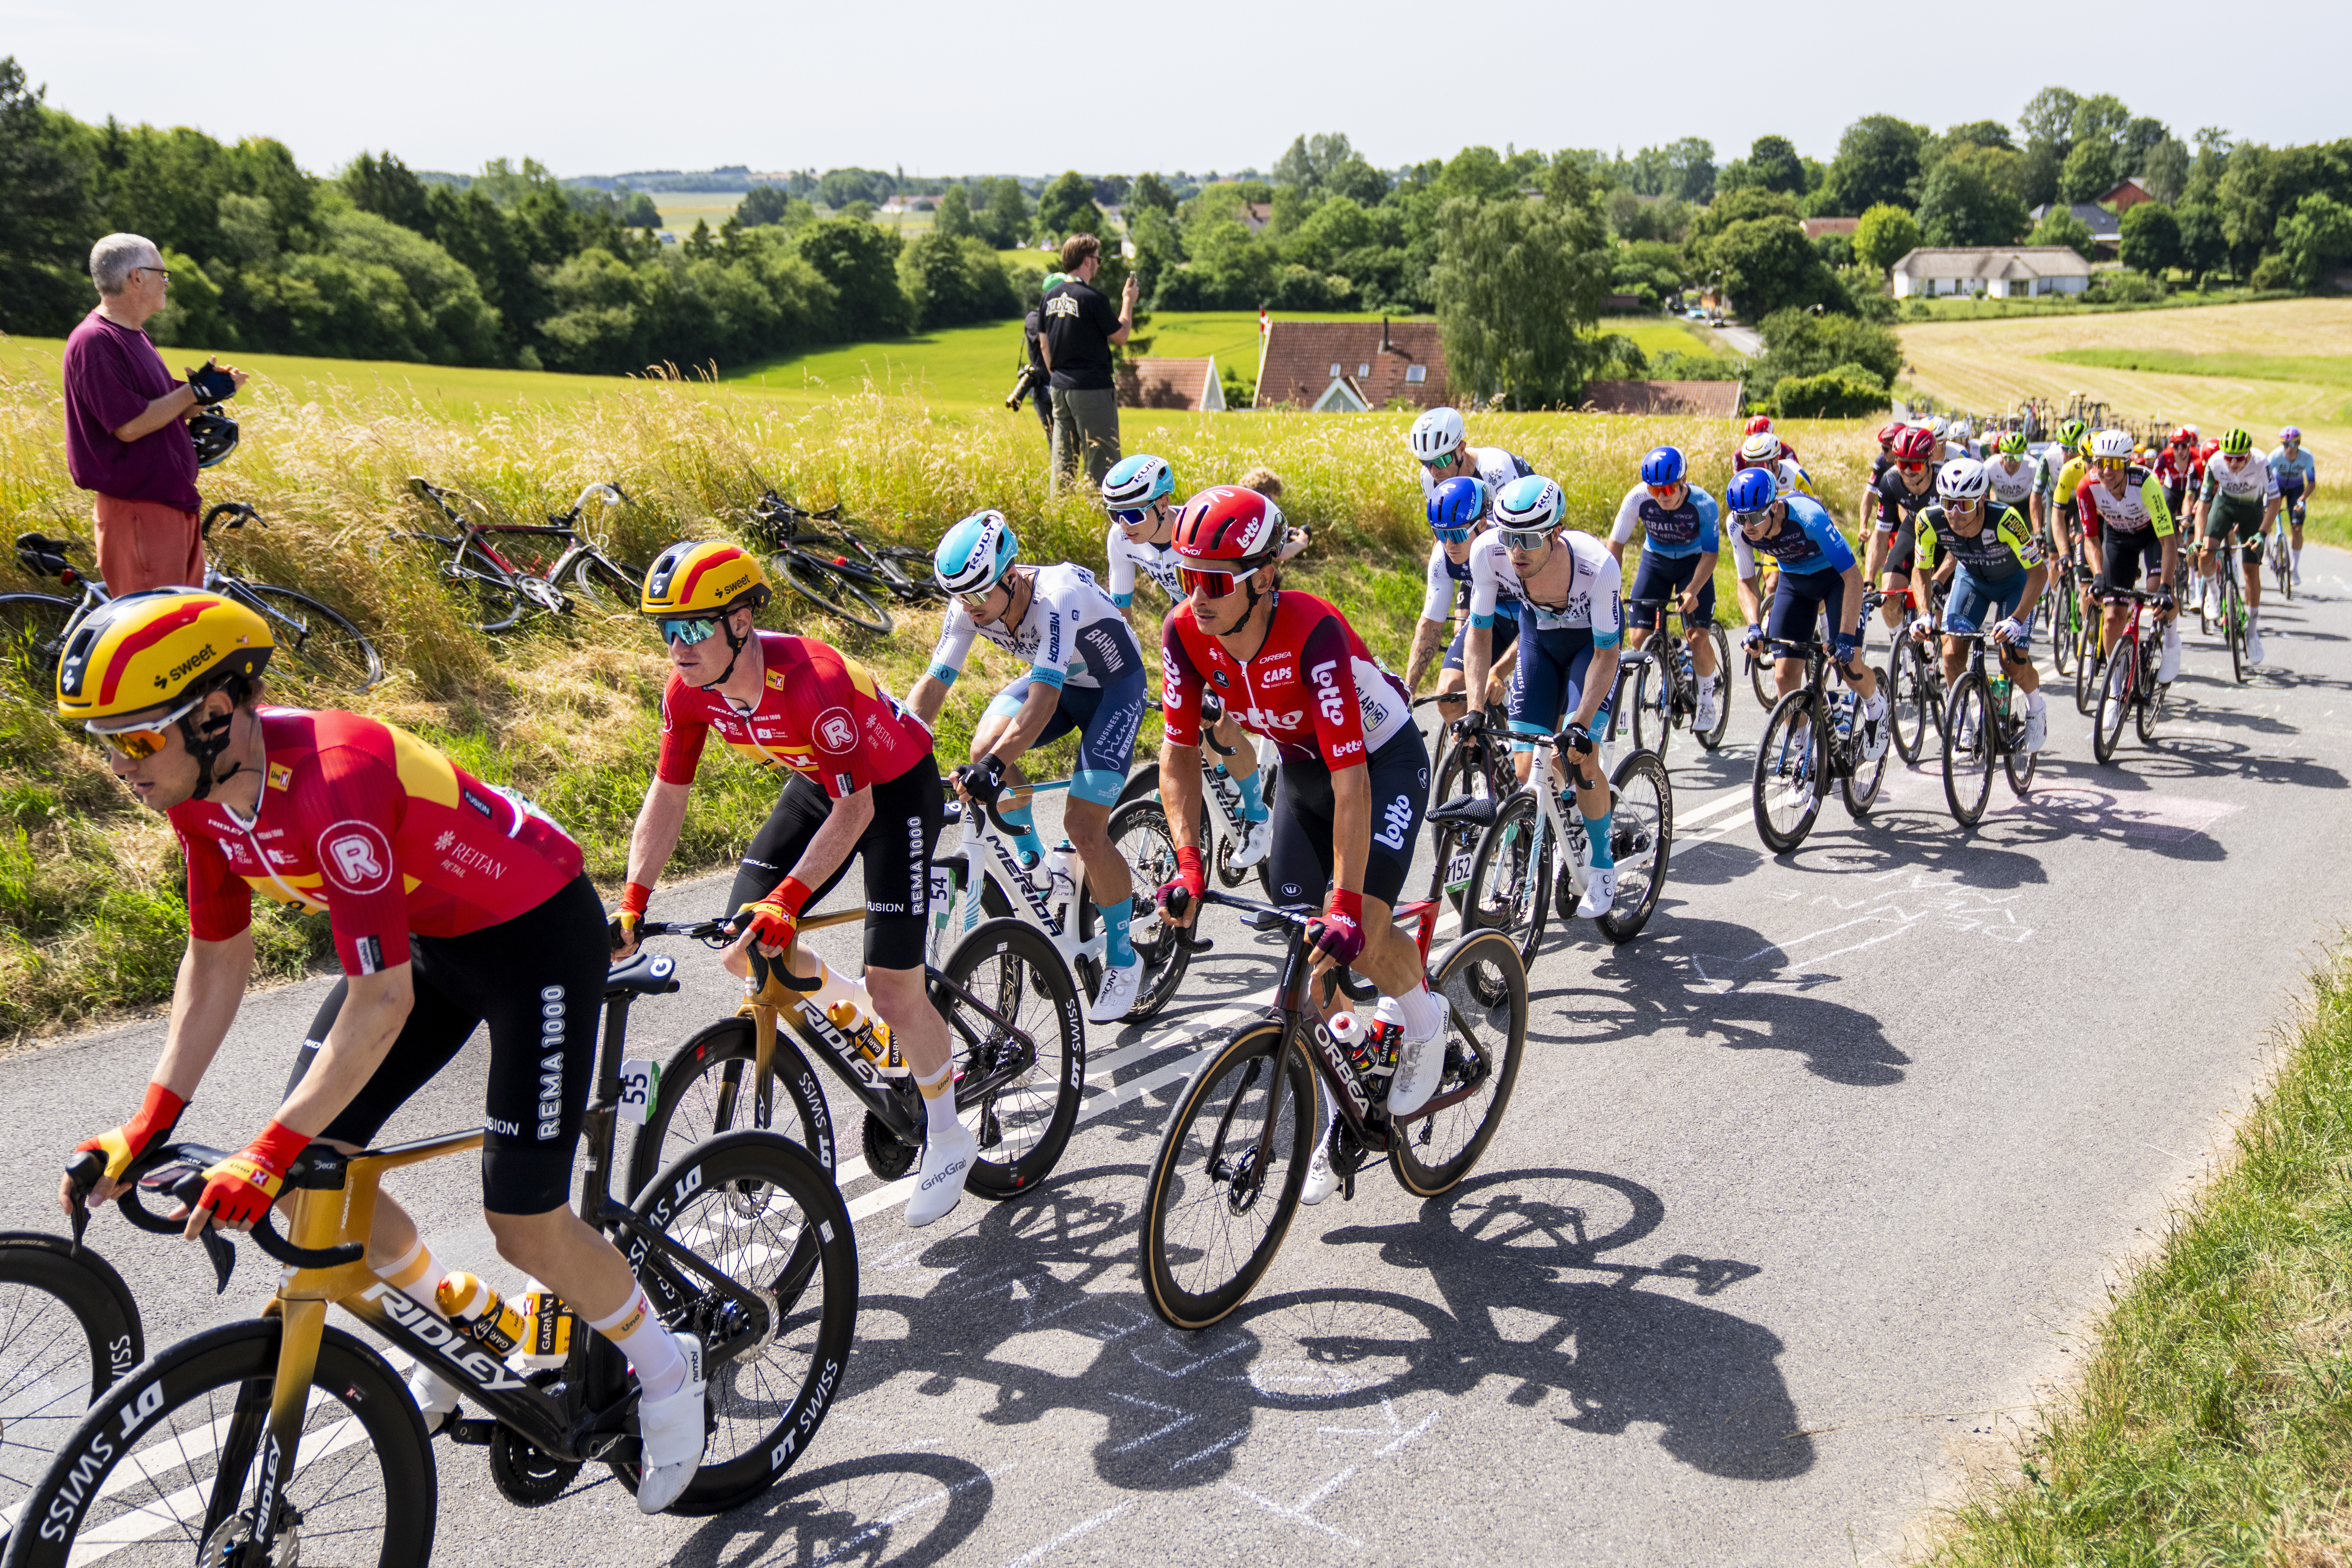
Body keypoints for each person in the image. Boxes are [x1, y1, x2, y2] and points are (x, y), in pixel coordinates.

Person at [58, 588, 713, 1513]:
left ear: (214, 713)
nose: (116, 766)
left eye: (132, 739)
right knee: (327, 1163)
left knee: (521, 1219)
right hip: (428, 942)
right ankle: (455, 1315)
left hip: (534, 938)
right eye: (105, 742)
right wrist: (148, 1122)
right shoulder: (198, 793)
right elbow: (215, 960)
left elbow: (381, 998)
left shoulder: (334, 784)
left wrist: (267, 1147)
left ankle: (668, 1366)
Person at [608, 543, 967, 1220]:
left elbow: (858, 808)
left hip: (890, 793)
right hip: (819, 785)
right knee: (744, 945)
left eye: (690, 628)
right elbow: (668, 794)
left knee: (894, 985)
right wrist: (633, 899)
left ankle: (947, 1132)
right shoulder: (687, 691)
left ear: (740, 620)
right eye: (665, 630)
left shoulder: (812, 680)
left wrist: (789, 898)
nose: (676, 647)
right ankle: (871, 1022)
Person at [1152, 485, 1441, 1205]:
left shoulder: (1312, 632)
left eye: (1214, 581)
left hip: (1380, 764)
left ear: (1261, 576)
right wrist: (1188, 860)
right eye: (1186, 576)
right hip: (1303, 771)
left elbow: (1354, 782)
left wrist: (1345, 903)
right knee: (1307, 964)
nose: (1198, 596)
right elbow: (1177, 755)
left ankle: (1426, 1022)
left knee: (1362, 932)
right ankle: (1349, 1096)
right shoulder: (1183, 632)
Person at [909, 511, 1148, 1023]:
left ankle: (1125, 958)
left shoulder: (1055, 596)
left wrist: (996, 766)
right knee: (982, 746)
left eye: (978, 598)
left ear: (1010, 578)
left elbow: (1041, 701)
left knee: (1083, 827)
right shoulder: (968, 603)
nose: (971, 611)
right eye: (960, 599)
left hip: (1112, 690)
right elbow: (933, 685)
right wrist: (899, 746)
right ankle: (1039, 868)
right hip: (1062, 686)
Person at [1464, 475, 1625, 920]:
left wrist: (1580, 722)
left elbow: (1607, 654)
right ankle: (1565, 818)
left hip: (1588, 649)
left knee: (1579, 754)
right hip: (1538, 641)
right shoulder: (1487, 553)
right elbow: (1477, 637)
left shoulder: (1597, 566)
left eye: (1529, 538)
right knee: (1527, 768)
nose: (1516, 549)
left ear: (1556, 533)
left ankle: (1602, 860)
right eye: (1508, 535)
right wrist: (1475, 707)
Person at [1101, 453, 1273, 867]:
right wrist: (1122, 677)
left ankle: (1258, 813)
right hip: (1186, 635)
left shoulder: (1193, 533)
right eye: (1114, 513)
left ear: (1163, 504)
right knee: (1188, 734)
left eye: (1133, 513)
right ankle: (1228, 785)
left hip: (1229, 627)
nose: (1124, 524)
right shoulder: (1121, 539)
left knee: (1221, 729)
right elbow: (1119, 613)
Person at [62, 234, 249, 595]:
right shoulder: (95, 341)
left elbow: (164, 406)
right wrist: (191, 392)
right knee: (158, 639)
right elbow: (129, 426)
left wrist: (207, 394)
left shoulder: (134, 336)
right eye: (161, 273)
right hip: (139, 512)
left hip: (167, 504)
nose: (166, 282)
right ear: (136, 278)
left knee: (181, 634)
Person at [1728, 466, 1888, 757]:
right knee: (1784, 676)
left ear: (1774, 506)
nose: (1747, 525)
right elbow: (1746, 580)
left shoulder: (1808, 518)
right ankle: (1805, 755)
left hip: (1835, 580)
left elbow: (1852, 577)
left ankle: (1876, 707)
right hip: (1794, 582)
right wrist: (1753, 626)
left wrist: (1845, 637)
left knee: (1849, 667)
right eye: (1741, 517)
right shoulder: (1737, 526)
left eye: (1753, 516)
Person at [1912, 458, 2051, 754]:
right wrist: (1924, 612)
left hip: (2015, 584)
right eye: (1948, 502)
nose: (1954, 513)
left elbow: (2039, 573)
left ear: (1982, 501)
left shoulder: (2006, 520)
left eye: (1964, 505)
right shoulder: (1928, 520)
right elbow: (1920, 569)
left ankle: (2036, 708)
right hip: (1972, 581)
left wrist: (2016, 619)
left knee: (2011, 662)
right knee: (1950, 655)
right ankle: (1964, 718)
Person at [1606, 445, 1723, 732]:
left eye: (1669, 489)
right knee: (1638, 638)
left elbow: (1711, 555)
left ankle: (1706, 697)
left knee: (1697, 637)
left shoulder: (1704, 504)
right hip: (1655, 562)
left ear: (1684, 481)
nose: (1662, 497)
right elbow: (1616, 544)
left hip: (1693, 564)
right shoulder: (1637, 498)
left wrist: (1694, 589)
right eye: (1655, 490)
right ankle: (1673, 655)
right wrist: (1613, 585)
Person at [1405, 474, 1524, 743]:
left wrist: (1499, 671)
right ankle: (1491, 762)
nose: (1449, 544)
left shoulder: (1510, 551)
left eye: (1457, 534)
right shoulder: (1443, 556)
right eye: (1440, 533)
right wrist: (1408, 688)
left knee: (1529, 718)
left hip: (1532, 623)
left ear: (1482, 525)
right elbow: (1431, 625)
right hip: (1489, 619)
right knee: (1448, 695)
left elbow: (1538, 622)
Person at [2079, 429, 2184, 676]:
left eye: (2113, 464)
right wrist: (2097, 576)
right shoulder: (2087, 486)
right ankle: (2115, 690)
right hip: (2118, 538)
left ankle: (2171, 643)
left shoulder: (2146, 484)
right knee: (2113, 617)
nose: (2106, 471)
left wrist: (2166, 589)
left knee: (2155, 590)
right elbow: (2091, 539)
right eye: (2100, 463)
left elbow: (2168, 541)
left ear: (2127, 464)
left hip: (2152, 536)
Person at [1039, 236, 1137, 489]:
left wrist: (1057, 376)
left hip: (1059, 387)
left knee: (1063, 458)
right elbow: (1121, 336)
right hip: (1091, 389)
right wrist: (1128, 301)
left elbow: (1043, 344)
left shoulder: (1048, 297)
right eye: (1097, 259)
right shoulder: (1093, 298)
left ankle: (1059, 513)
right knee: (1101, 457)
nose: (1098, 264)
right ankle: (1099, 514)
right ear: (1087, 260)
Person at [2196, 428, 2281, 664]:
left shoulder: (2261, 461)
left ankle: (2252, 632)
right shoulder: (2214, 462)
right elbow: (2203, 505)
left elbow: (2275, 501)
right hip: (2224, 506)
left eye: (2239, 459)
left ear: (2248, 455)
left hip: (2251, 511)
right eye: (2229, 458)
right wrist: (2198, 536)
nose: (2233, 464)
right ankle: (2213, 594)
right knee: (2205, 553)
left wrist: (2263, 534)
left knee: (2250, 571)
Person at [1865, 426, 1939, 638]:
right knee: (1888, 595)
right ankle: (1903, 650)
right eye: (1901, 463)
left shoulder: (1944, 483)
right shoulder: (1890, 481)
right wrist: (1869, 579)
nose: (1907, 471)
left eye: (1914, 464)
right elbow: (1880, 536)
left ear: (1929, 460)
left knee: (1943, 619)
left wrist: (1940, 577)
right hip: (1914, 528)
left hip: (1946, 538)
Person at [1406, 406, 1532, 501]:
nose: (1433, 471)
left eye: (1442, 461)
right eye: (1425, 463)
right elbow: (1440, 533)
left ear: (1461, 450)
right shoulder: (1427, 478)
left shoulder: (1501, 469)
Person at [1016, 271, 1066, 438]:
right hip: (1046, 388)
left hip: (1065, 386)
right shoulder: (1034, 318)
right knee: (1057, 441)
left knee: (1070, 442)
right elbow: (1048, 342)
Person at [2269, 426, 2317, 585]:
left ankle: (2294, 569)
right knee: (2266, 518)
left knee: (2297, 529)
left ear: (2299, 444)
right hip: (2277, 487)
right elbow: (2264, 478)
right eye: (2286, 444)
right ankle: (2268, 551)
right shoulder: (2275, 456)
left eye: (2294, 444)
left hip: (2297, 489)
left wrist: (2302, 499)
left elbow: (2311, 483)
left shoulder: (2307, 457)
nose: (2289, 448)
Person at [1735, 430, 1818, 501]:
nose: (1757, 471)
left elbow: (1813, 508)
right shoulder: (1746, 483)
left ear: (1776, 460)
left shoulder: (1796, 476)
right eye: (1751, 465)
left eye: (1762, 465)